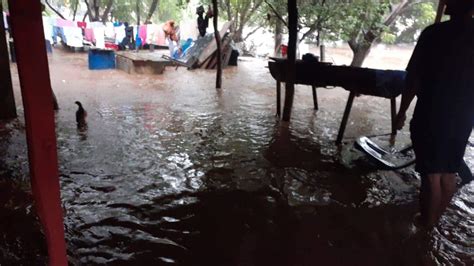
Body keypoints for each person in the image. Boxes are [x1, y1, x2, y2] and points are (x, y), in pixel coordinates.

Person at [395, 0, 474, 228]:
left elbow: (413, 79)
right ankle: (432, 222)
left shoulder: (433, 33)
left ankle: (426, 228)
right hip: (463, 118)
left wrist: (402, 111)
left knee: (431, 176)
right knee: (448, 173)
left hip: (432, 113)